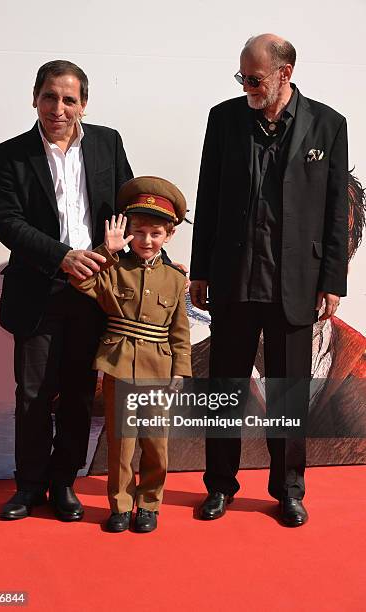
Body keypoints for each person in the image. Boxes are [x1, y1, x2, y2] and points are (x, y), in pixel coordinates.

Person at [190, 33, 348, 526]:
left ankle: (288, 490)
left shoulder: (328, 125)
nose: (246, 86)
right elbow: (209, 193)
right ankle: (219, 487)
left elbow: (335, 208)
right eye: (241, 77)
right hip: (234, 279)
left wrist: (333, 279)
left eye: (254, 78)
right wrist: (200, 269)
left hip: (295, 282)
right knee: (225, 392)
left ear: (286, 73)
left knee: (287, 393)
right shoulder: (224, 119)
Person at [0, 60, 133, 521]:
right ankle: (28, 486)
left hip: (93, 291)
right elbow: (8, 223)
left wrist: (111, 252)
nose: (58, 108)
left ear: (84, 105)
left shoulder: (108, 143)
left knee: (76, 392)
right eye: (50, 96)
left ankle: (64, 483)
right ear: (35, 98)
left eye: (69, 99)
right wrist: (62, 256)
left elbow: (125, 205)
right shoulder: (10, 154)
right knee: (33, 392)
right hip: (38, 289)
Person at [70, 176, 191, 532]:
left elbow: (179, 332)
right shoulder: (115, 269)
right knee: (120, 444)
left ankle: (149, 505)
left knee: (155, 444)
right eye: (138, 232)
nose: (146, 240)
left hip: (158, 369)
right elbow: (82, 281)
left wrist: (180, 371)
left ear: (168, 236)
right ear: (128, 233)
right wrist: (107, 252)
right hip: (119, 366)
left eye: (155, 234)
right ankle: (121, 506)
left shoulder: (174, 278)